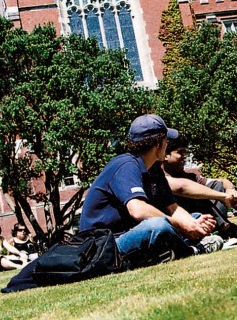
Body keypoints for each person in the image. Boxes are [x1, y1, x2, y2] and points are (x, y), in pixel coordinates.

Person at [80, 114, 225, 268]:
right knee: (158, 226)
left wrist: (191, 223)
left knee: (194, 217)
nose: (167, 144)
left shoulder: (154, 169)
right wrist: (180, 224)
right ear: (158, 143)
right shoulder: (125, 165)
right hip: (104, 245)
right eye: (166, 140)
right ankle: (193, 250)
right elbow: (138, 210)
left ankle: (165, 253)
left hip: (131, 233)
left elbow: (173, 208)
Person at [162, 133, 237, 241]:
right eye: (180, 152)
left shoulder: (189, 176)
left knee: (215, 185)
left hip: (200, 219)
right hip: (180, 224)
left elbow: (222, 181)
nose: (185, 156)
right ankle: (226, 230)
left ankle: (220, 231)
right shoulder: (158, 176)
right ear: (165, 155)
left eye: (185, 152)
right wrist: (222, 196)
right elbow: (183, 187)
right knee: (199, 192)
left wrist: (230, 190)